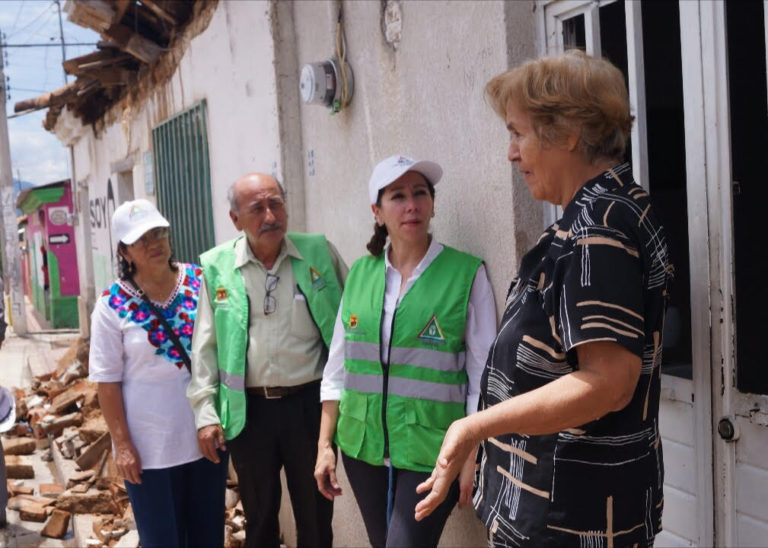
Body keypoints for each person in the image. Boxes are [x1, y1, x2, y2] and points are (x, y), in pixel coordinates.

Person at [415, 50, 673, 547]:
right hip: (571, 507)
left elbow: (608, 382)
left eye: (518, 132)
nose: (511, 153)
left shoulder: (597, 227)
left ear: (568, 133)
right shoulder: (608, 208)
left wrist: (474, 427)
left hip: (569, 520)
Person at [314, 155, 497, 547]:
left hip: (433, 450)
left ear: (432, 204)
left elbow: (484, 376)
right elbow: (337, 371)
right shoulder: (360, 275)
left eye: (420, 193)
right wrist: (324, 447)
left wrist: (471, 454)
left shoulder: (466, 274)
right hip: (362, 450)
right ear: (377, 212)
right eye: (398, 196)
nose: (411, 204)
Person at [187, 173, 347, 548]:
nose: (270, 215)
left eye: (276, 203)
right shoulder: (217, 266)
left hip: (310, 409)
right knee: (259, 520)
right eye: (257, 208)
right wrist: (205, 414)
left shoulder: (319, 253)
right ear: (236, 219)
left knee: (316, 518)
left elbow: (354, 321)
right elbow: (205, 347)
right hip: (249, 413)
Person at [89, 199, 228, 547]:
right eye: (141, 239)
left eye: (158, 233)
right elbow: (107, 382)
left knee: (207, 536)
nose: (154, 243)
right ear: (125, 252)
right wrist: (122, 445)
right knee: (160, 540)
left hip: (205, 436)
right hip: (148, 450)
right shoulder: (111, 303)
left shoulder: (202, 281)